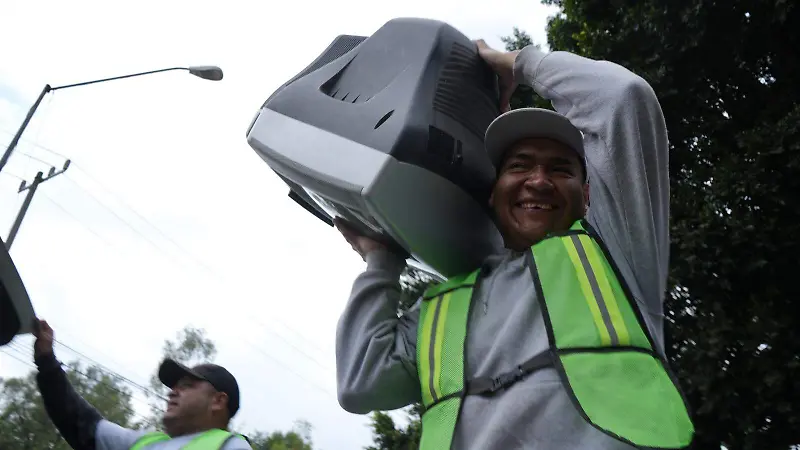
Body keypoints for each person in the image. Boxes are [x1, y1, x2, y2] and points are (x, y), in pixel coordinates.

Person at [333, 39, 694, 449]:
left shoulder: (615, 249)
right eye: (519, 166)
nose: (538, 180)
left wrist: (519, 64)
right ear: (494, 192)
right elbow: (362, 383)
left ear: (588, 196)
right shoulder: (443, 306)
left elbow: (623, 99)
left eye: (560, 169)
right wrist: (380, 263)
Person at [32, 319, 252, 450]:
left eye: (187, 385)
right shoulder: (145, 441)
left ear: (218, 401)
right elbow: (81, 424)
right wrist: (47, 361)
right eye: (174, 386)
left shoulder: (231, 446)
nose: (173, 392)